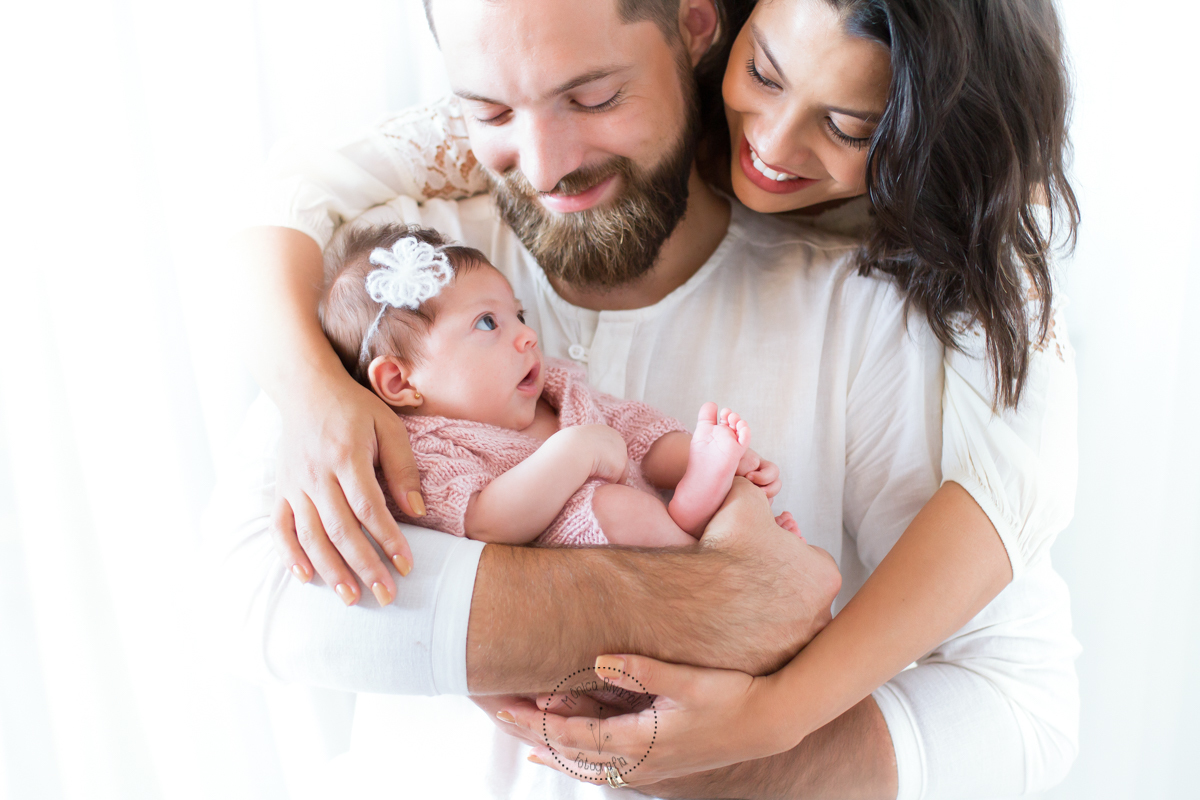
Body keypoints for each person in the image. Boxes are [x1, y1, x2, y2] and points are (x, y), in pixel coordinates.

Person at [206, 0, 1079, 797]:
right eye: (490, 111)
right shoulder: (407, 275)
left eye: (594, 99)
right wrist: (724, 601)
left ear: (696, 26)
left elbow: (1016, 700)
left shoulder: (873, 309)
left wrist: (758, 747)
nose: (547, 166)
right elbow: (257, 593)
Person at [319, 221, 792, 547]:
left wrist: (698, 453)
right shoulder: (421, 449)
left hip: (653, 526)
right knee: (615, 508)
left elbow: (634, 433)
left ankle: (720, 510)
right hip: (596, 581)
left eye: (518, 315)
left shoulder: (555, 388)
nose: (527, 335)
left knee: (696, 476)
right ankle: (711, 556)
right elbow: (487, 521)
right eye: (488, 323)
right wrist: (575, 451)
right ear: (400, 381)